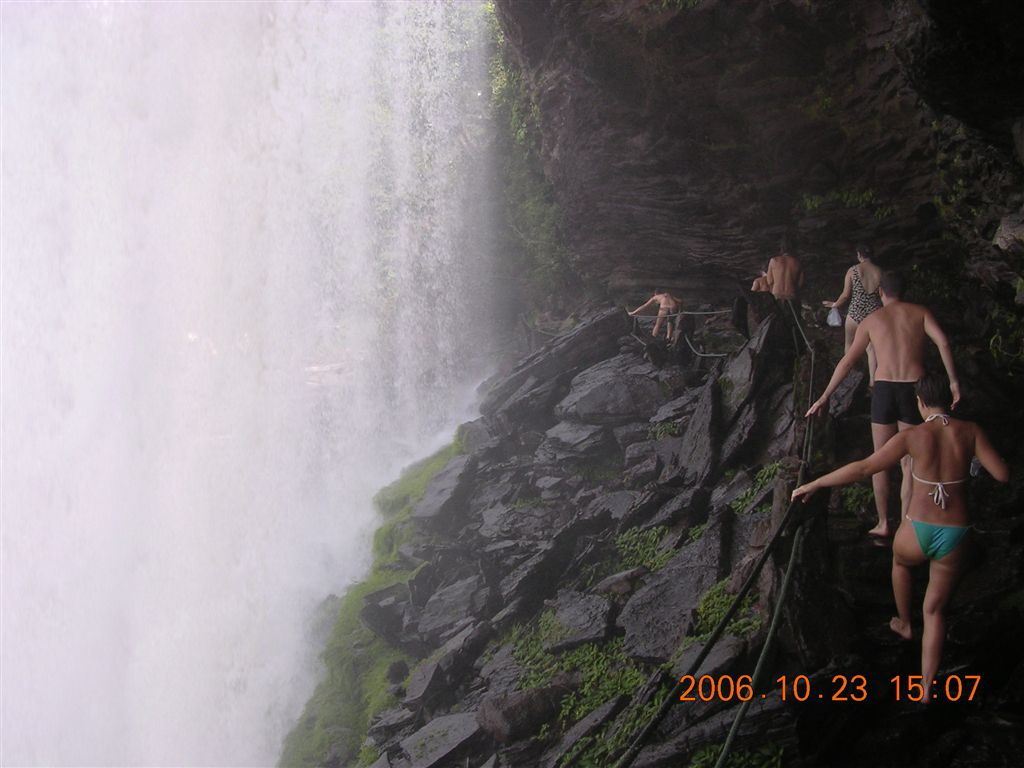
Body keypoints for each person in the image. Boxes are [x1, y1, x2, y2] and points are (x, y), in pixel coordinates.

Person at [793, 373, 1008, 703]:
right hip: (956, 533)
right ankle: (925, 689)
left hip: (918, 529)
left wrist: (816, 483)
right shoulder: (971, 431)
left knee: (900, 562)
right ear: (948, 401)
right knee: (935, 611)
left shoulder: (914, 436)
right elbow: (1002, 475)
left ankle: (905, 622)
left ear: (920, 403)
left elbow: (865, 468)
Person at [806, 272, 960, 538]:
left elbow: (847, 362)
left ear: (880, 293)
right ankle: (906, 524)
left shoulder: (871, 320)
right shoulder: (919, 312)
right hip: (915, 391)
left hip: (885, 390)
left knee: (879, 460)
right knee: (909, 462)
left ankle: (883, 523)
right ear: (904, 290)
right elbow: (943, 342)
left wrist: (824, 397)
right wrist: (954, 383)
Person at [821, 245, 883, 385]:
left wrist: (834, 304)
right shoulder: (880, 272)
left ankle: (850, 376)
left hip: (855, 312)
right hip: (873, 315)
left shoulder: (853, 270)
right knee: (871, 348)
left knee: (849, 345)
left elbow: (845, 295)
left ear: (859, 255)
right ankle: (873, 383)